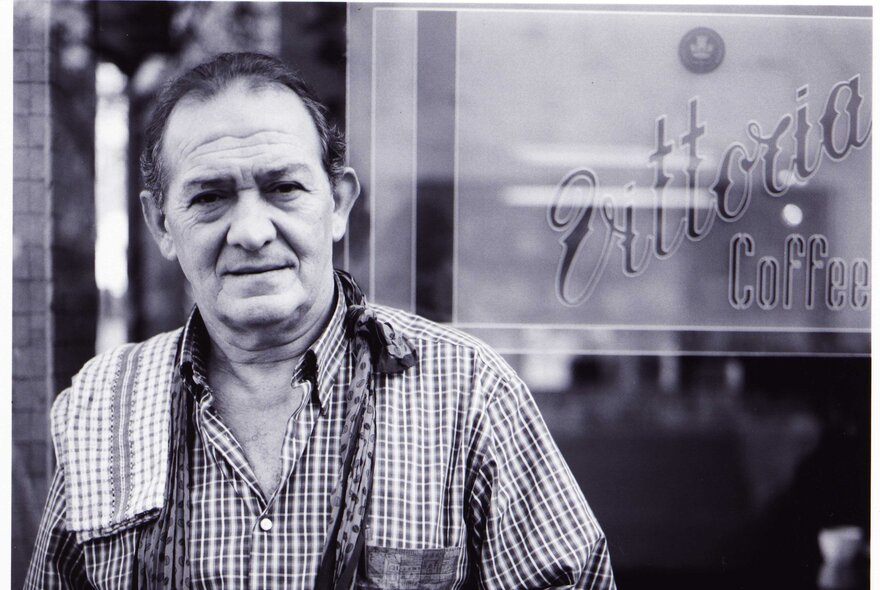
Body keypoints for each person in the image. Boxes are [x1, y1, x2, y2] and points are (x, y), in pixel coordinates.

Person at [25, 52, 615, 589]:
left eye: (284, 188)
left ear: (338, 205)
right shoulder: (103, 408)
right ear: (160, 225)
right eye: (209, 197)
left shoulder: (467, 394)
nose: (252, 232)